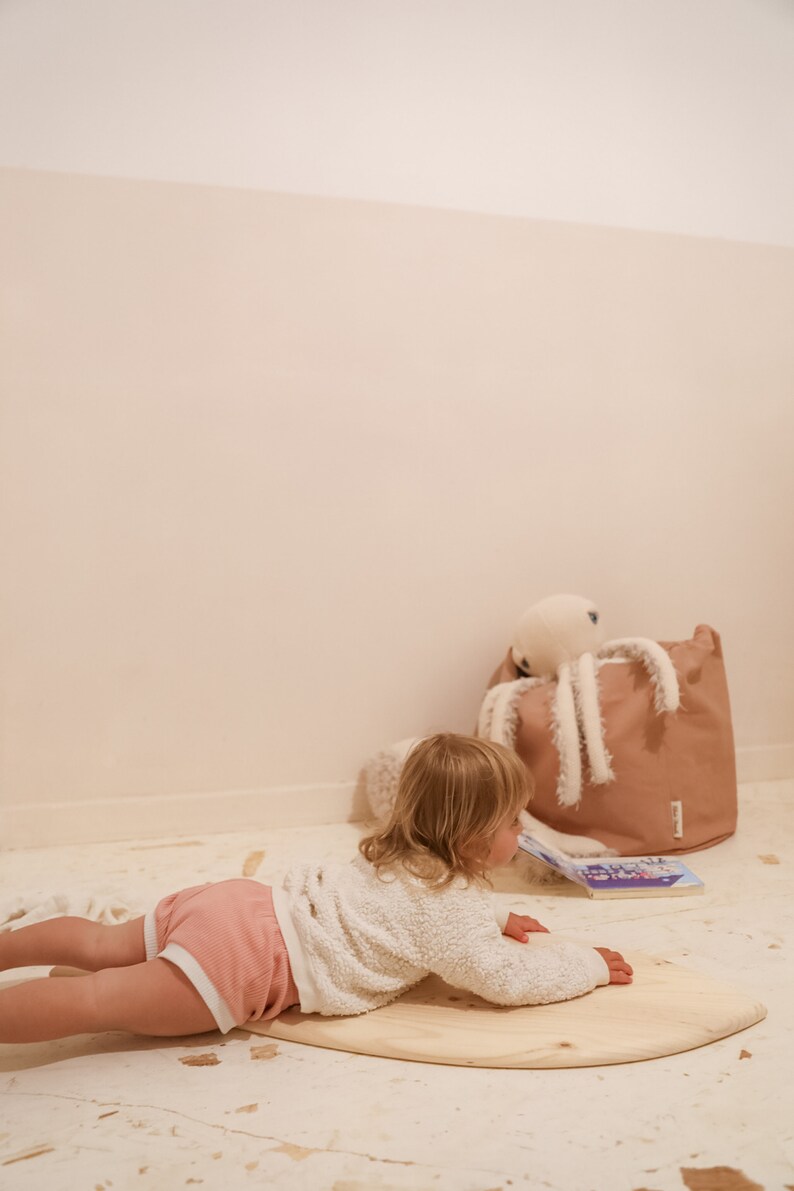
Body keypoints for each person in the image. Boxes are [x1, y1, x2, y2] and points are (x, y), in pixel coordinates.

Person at [0, 734, 632, 1044]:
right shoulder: (447, 912)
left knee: (103, 944)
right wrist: (585, 966)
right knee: (98, 1004)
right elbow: (506, 980)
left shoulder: (403, 854)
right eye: (513, 820)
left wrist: (494, 919)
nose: (522, 831)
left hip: (236, 904)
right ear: (469, 834)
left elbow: (409, 913)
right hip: (246, 963)